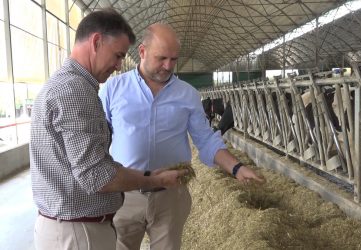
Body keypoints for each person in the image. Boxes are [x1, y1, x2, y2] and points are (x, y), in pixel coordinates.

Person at [30, 10, 187, 250]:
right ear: (96, 42)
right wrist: (155, 179)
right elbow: (96, 175)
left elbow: (92, 163)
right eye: (117, 55)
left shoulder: (67, 84)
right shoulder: (75, 91)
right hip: (78, 233)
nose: (118, 65)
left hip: (70, 228)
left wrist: (147, 176)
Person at [99, 23, 265, 250]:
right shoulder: (112, 89)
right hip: (124, 195)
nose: (168, 66)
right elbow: (100, 136)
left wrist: (236, 168)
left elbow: (206, 140)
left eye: (173, 59)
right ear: (142, 52)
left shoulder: (187, 94)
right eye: (161, 58)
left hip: (170, 194)